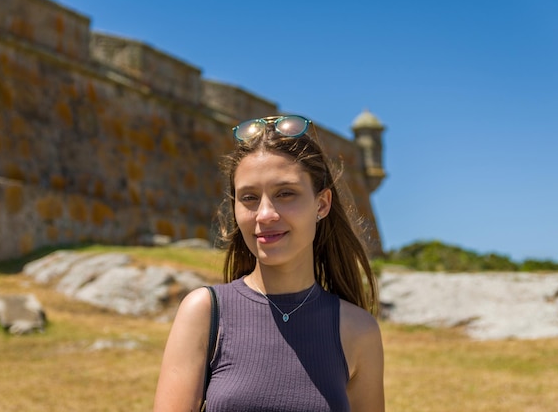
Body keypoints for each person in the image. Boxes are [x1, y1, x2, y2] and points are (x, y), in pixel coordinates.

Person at [153, 115, 385, 411]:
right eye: (249, 197)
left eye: (285, 194)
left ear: (322, 204)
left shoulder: (359, 330)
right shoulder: (204, 312)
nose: (265, 214)